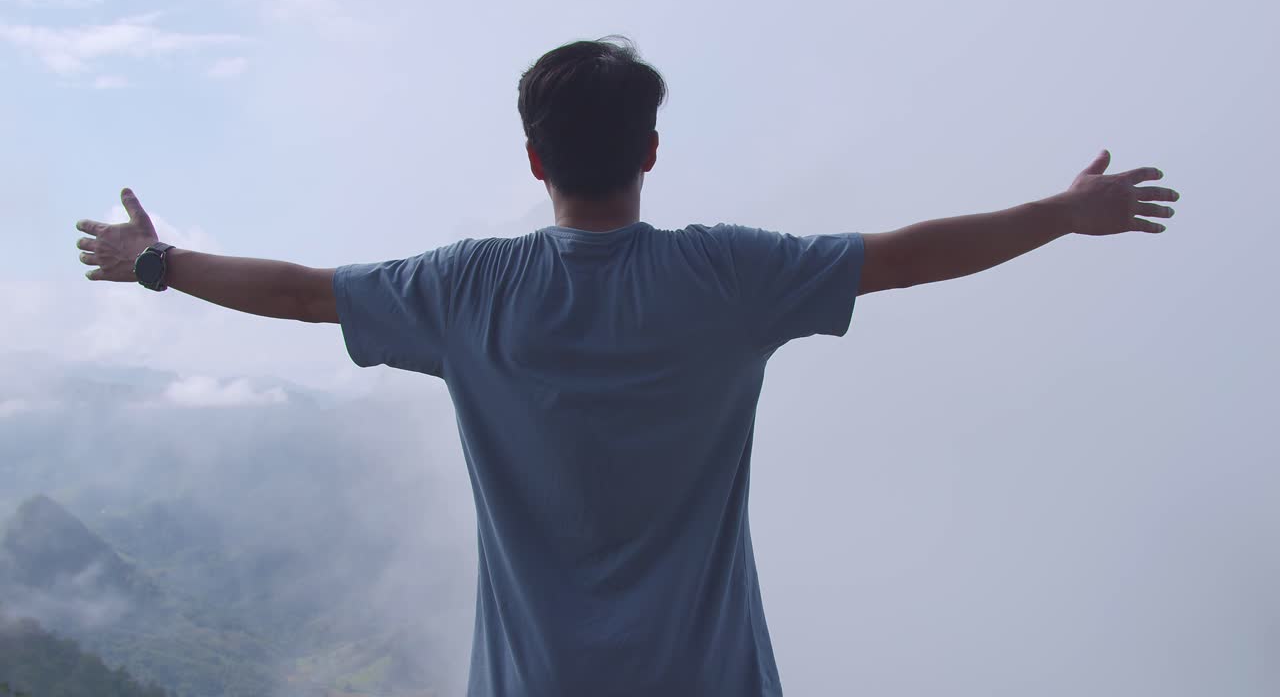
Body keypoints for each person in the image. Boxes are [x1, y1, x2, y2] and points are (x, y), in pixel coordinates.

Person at [74, 37, 1179, 697]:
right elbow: (903, 259)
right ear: (650, 150)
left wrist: (157, 263)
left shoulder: (467, 291)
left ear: (532, 158)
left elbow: (304, 293)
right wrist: (1061, 212)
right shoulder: (729, 279)